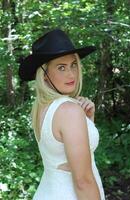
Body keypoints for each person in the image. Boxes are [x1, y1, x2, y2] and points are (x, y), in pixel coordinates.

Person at [19, 29, 105, 200]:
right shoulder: (69, 111)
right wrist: (78, 117)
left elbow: (58, 152)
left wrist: (87, 121)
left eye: (73, 64)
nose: (71, 74)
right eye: (61, 67)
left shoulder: (43, 107)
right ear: (44, 75)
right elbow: (83, 182)